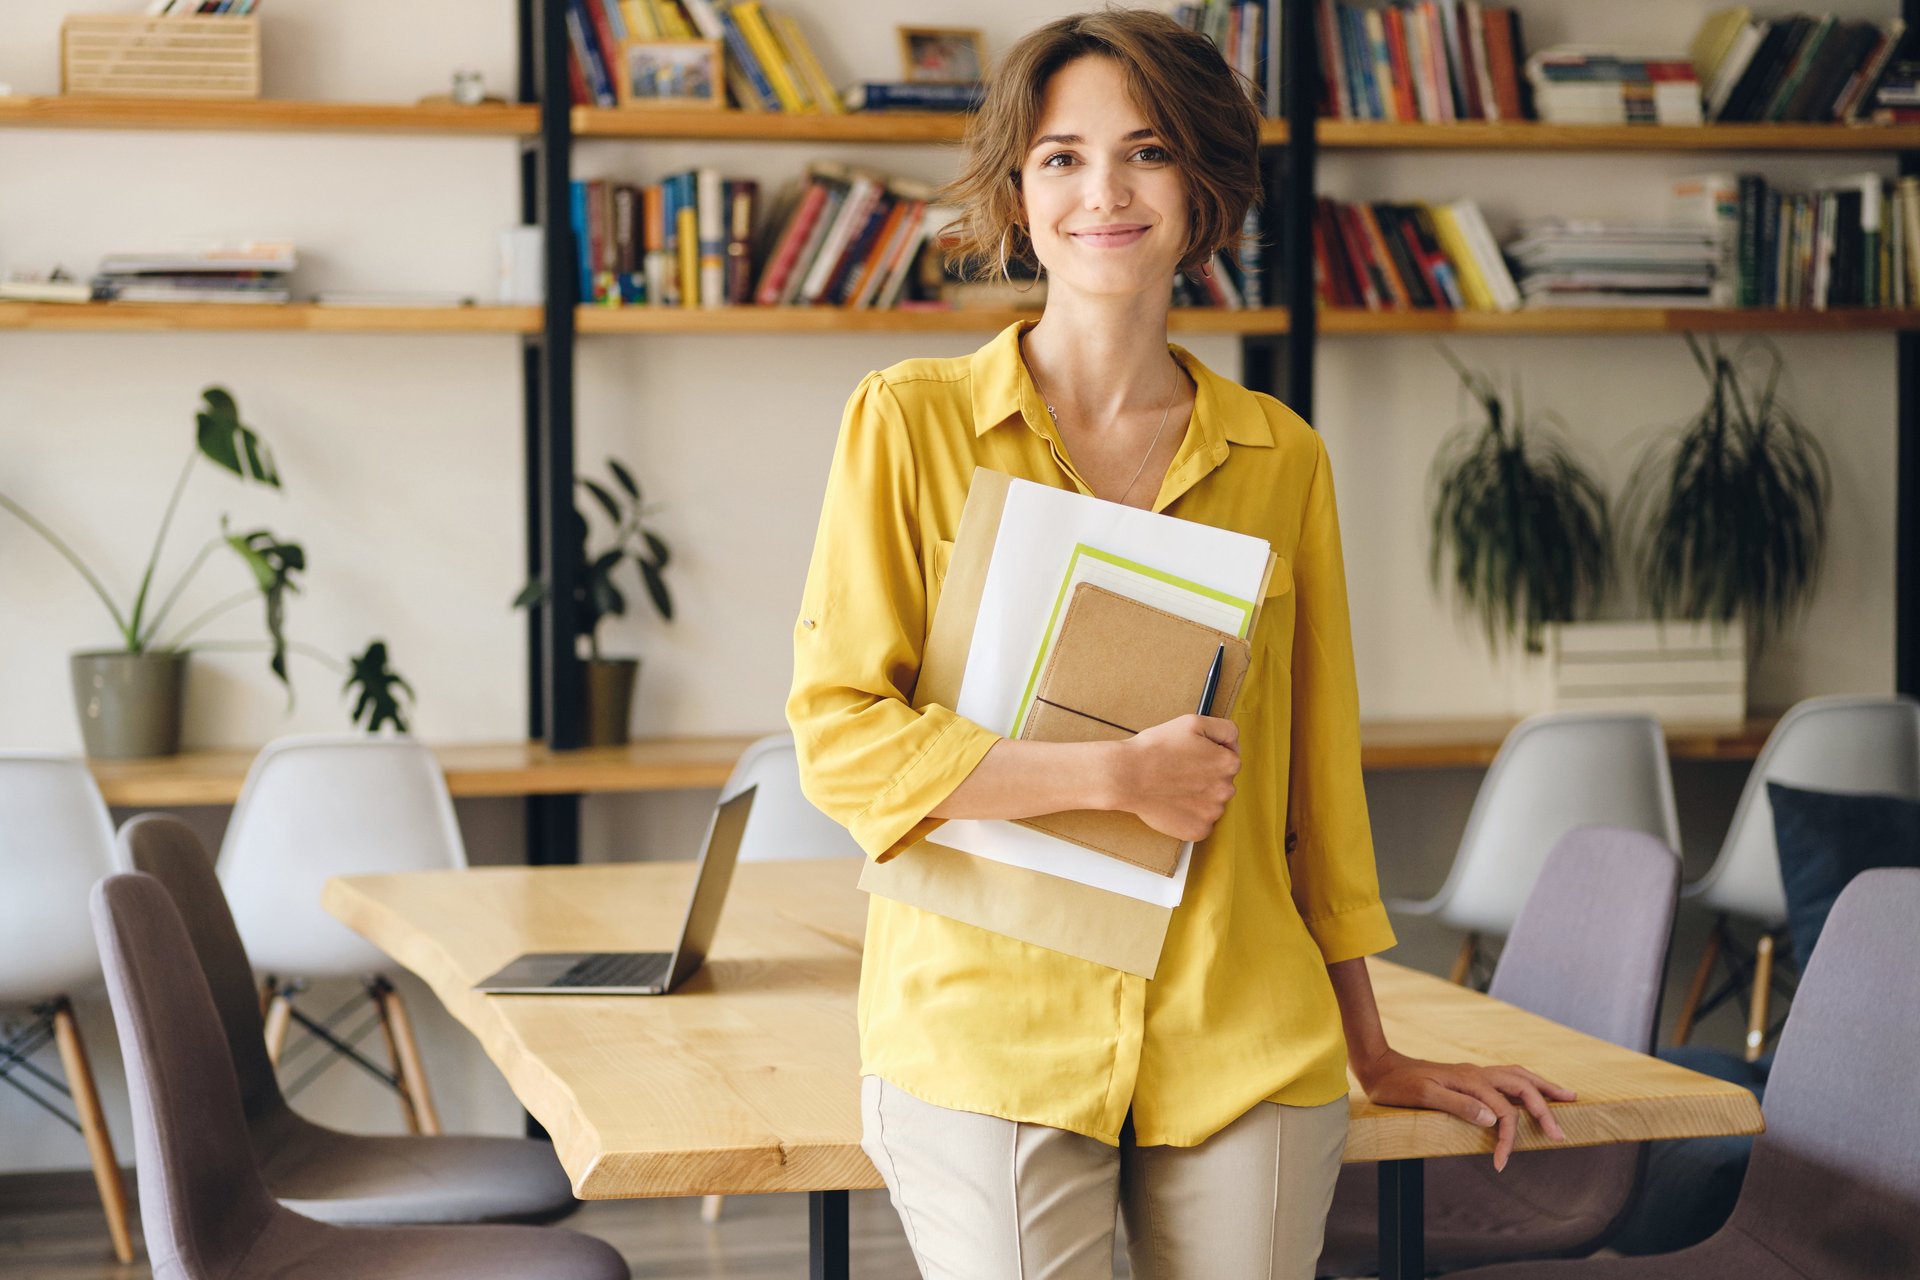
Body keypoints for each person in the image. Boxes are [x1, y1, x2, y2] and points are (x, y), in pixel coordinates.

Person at [786, 10, 1572, 1278]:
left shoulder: (1280, 455)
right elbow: (842, 740)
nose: (1104, 191)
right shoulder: (908, 425)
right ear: (1017, 191)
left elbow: (1314, 790)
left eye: (1145, 152)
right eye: (1061, 157)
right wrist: (1110, 776)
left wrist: (1374, 1048)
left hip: (1243, 1024)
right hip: (987, 1026)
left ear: (1201, 187)